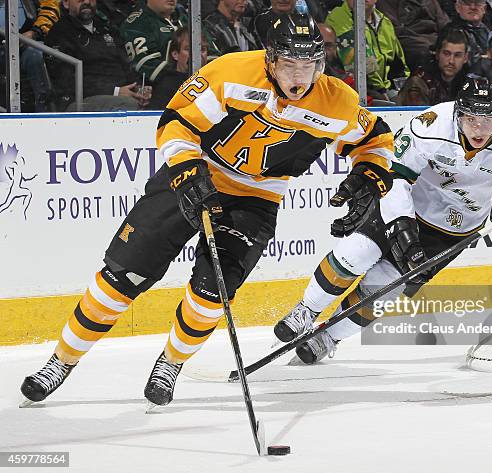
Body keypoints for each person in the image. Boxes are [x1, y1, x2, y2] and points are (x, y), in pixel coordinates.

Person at [20, 12, 395, 407]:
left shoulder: (337, 100)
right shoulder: (230, 73)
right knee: (122, 276)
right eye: (289, 64)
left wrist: (371, 176)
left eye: (308, 65)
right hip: (196, 173)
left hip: (256, 197)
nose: (299, 76)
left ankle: (171, 363)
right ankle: (61, 360)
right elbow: (177, 123)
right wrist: (184, 170)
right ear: (270, 59)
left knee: (212, 293)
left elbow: (375, 138)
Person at [273, 76, 492, 364]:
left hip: (453, 230)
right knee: (356, 253)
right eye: (471, 119)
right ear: (458, 114)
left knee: (384, 286)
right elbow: (394, 172)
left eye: (488, 120)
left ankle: (328, 337)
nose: (479, 128)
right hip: (407, 205)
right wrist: (400, 221)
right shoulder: (432, 124)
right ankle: (306, 310)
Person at [45, 0, 147, 111]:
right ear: (66, 3)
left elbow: (126, 64)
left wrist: (137, 87)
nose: (87, 1)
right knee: (127, 105)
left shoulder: (107, 28)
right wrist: (115, 91)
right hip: (78, 100)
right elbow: (66, 80)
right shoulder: (59, 33)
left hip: (120, 94)